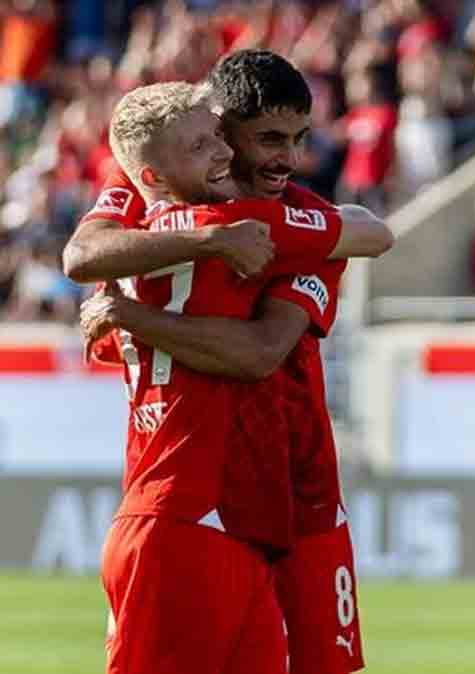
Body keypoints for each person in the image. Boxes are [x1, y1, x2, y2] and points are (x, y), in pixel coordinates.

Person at [64, 50, 393, 674]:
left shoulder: (266, 215)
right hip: (202, 503)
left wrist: (133, 315)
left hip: (297, 498)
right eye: (266, 139)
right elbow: (82, 255)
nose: (288, 159)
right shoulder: (203, 205)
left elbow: (88, 262)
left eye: (299, 139)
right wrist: (212, 239)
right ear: (220, 127)